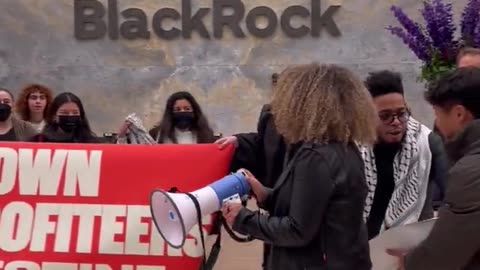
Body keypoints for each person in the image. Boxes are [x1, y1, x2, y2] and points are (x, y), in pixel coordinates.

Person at [222, 63, 377, 270]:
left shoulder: (316, 156)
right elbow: (313, 209)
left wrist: (243, 218)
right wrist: (265, 194)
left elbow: (297, 230)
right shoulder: (343, 149)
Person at [389, 67, 480, 270]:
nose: (437, 123)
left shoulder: (471, 172)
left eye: (438, 114)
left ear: (459, 114)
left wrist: (409, 262)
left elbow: (448, 249)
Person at [362, 70, 448, 240]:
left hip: (412, 246)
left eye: (401, 113)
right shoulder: (353, 145)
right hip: (360, 248)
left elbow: (454, 192)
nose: (396, 122)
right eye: (385, 116)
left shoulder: (427, 142)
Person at [215, 72, 283, 270]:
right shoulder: (269, 113)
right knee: (271, 248)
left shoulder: (305, 119)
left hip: (294, 189)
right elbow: (260, 142)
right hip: (271, 188)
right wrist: (238, 141)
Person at [149, 91, 219, 144]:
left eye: (187, 109)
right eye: (177, 109)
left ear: (194, 111)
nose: (182, 112)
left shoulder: (206, 135)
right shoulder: (157, 134)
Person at [31, 92, 101, 143]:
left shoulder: (92, 143)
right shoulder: (39, 141)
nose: (70, 116)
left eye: (75, 112)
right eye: (64, 112)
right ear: (54, 115)